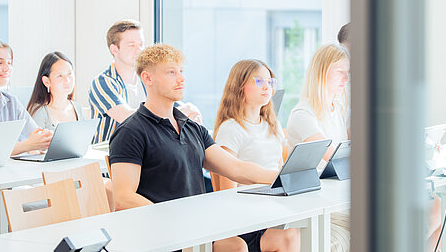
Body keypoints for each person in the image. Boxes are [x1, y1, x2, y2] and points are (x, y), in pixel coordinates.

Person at [109, 44, 296, 252]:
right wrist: (173, 219)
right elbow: (123, 197)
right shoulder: (131, 131)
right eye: (171, 72)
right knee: (236, 247)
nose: (181, 78)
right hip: (161, 234)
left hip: (196, 229)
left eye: (181, 71)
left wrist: (285, 176)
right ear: (148, 79)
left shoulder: (192, 128)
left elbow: (237, 168)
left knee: (237, 246)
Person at [212, 60, 300, 248]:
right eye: (259, 81)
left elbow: (278, 168)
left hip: (272, 211)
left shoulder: (272, 126)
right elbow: (227, 192)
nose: (267, 87)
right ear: (240, 86)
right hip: (245, 222)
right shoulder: (231, 129)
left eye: (270, 82)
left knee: (293, 234)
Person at [89, 20, 201, 144]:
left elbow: (170, 104)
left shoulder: (146, 78)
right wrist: (180, 113)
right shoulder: (103, 82)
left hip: (144, 149)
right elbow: (128, 118)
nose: (139, 50)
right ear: (114, 49)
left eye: (141, 44)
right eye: (131, 45)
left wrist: (189, 111)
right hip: (110, 154)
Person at [287, 44, 350, 161]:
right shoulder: (302, 114)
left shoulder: (340, 109)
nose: (346, 78)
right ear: (322, 72)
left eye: (347, 72)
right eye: (340, 72)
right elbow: (333, 158)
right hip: (316, 179)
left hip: (336, 178)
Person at [26, 52, 83, 130]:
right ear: (47, 81)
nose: (67, 80)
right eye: (59, 76)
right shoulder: (40, 112)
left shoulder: (77, 108)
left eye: (69, 74)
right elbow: (35, 142)